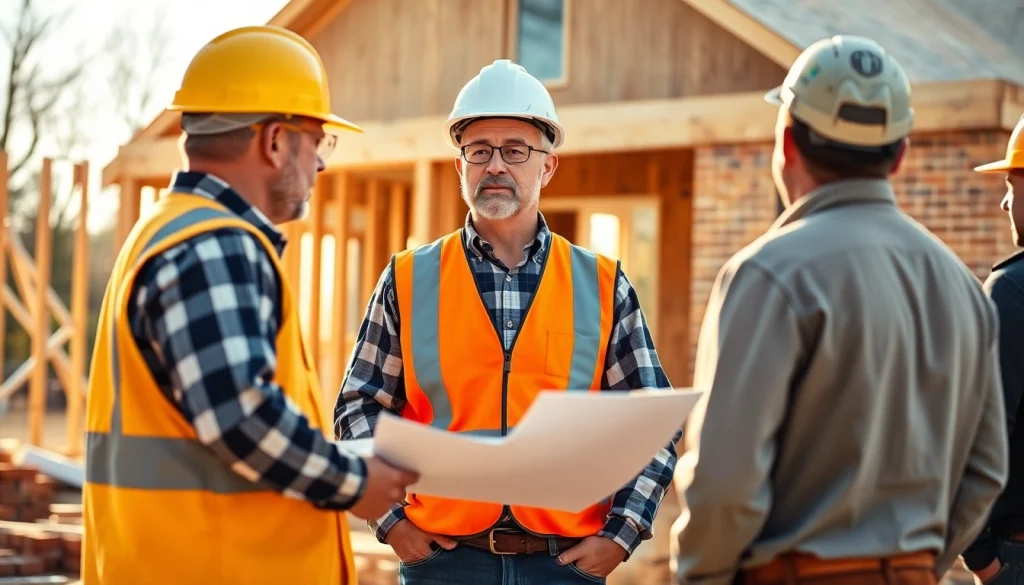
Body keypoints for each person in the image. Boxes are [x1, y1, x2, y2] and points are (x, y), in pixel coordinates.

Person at [81, 25, 417, 585]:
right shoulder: (217, 244)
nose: (321, 165)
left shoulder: (164, 232)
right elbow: (240, 414)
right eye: (318, 142)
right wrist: (354, 480)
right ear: (276, 142)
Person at [671, 35, 1009, 585]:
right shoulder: (962, 287)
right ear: (898, 154)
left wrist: (700, 576)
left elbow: (725, 482)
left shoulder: (767, 275)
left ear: (786, 143)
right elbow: (987, 471)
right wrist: (914, 563)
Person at [334, 58, 680, 584]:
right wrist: (391, 524)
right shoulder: (408, 277)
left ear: (547, 166)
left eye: (515, 150)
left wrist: (622, 533)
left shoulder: (603, 283)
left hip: (564, 565)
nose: (495, 165)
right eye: (479, 151)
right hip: (443, 564)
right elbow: (358, 406)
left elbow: (652, 421)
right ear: (460, 167)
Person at [962, 115, 1024, 585]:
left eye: (1011, 183)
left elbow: (979, 437)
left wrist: (984, 561)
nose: (1005, 201)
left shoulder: (1011, 289)